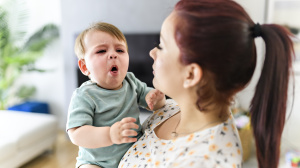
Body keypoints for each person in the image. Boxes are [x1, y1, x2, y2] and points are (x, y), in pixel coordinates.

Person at [118, 0, 295, 168]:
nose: (152, 52)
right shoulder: (171, 109)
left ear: (191, 74)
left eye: (162, 45)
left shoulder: (206, 161)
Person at [66, 22, 166, 168]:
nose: (113, 55)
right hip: (96, 162)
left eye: (120, 50)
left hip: (134, 153)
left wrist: (157, 99)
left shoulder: (131, 81)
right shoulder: (84, 95)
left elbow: (152, 103)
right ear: (84, 66)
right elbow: (76, 134)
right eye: (101, 51)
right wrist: (110, 135)